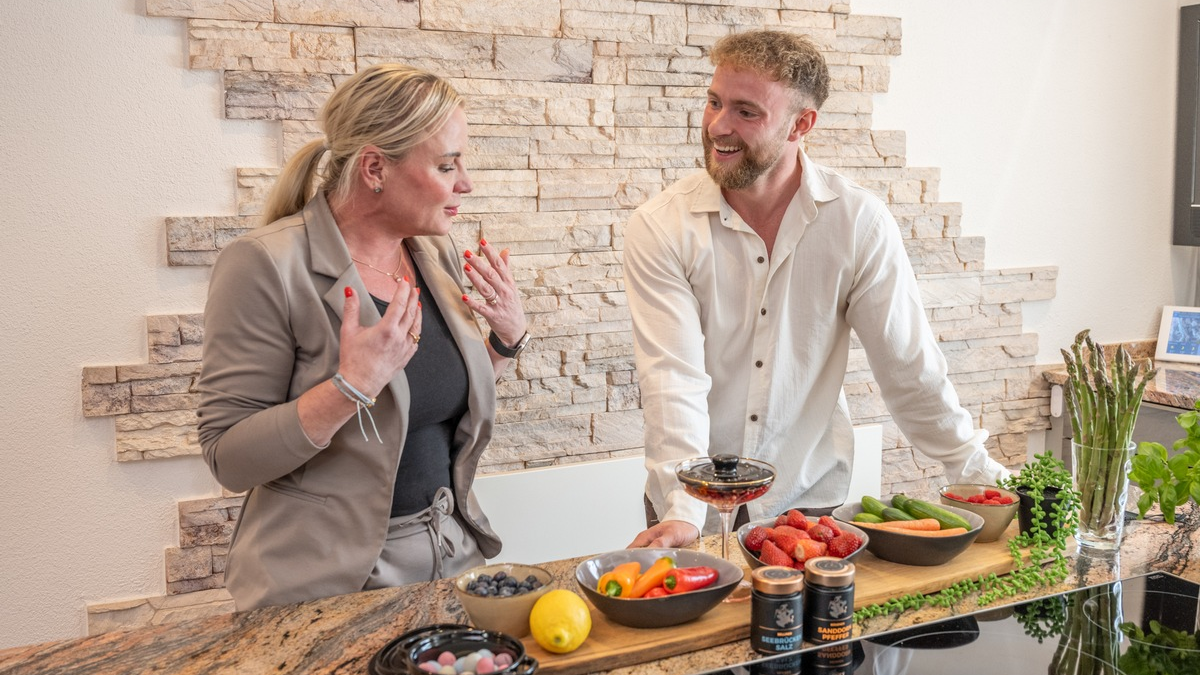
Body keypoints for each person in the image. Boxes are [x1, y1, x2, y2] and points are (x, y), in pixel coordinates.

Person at [624, 30, 1008, 549]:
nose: (718, 125)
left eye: (746, 111)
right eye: (714, 102)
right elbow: (673, 379)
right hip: (691, 499)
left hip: (807, 504)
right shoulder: (661, 227)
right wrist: (684, 511)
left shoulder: (858, 224)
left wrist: (984, 482)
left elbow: (909, 368)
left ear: (801, 124)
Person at [197, 63, 531, 610]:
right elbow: (228, 458)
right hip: (324, 585)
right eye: (447, 165)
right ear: (375, 167)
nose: (465, 183)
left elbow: (426, 401)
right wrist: (349, 386)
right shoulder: (264, 265)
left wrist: (505, 341)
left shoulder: (433, 253)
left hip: (450, 559)